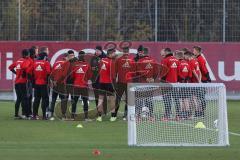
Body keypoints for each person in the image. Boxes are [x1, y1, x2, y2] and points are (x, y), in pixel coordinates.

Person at [134, 47, 159, 121]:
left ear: (143, 53)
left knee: (139, 100)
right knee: (149, 100)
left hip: (142, 84)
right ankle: (151, 116)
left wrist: (146, 78)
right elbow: (156, 72)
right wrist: (153, 79)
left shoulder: (140, 61)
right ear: (148, 53)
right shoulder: (153, 60)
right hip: (150, 84)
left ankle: (138, 117)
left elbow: (139, 72)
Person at [114, 45, 135, 120]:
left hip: (120, 82)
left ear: (123, 52)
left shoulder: (118, 60)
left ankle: (114, 115)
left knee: (118, 99)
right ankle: (125, 116)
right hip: (129, 82)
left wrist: (115, 81)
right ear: (128, 52)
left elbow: (115, 72)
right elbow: (134, 73)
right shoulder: (132, 60)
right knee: (128, 99)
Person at [9, 49, 31, 119]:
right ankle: (26, 115)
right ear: (27, 55)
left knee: (19, 98)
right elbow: (25, 68)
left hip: (17, 82)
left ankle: (16, 115)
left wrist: (17, 73)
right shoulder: (26, 61)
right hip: (23, 82)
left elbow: (10, 67)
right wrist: (24, 74)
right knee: (25, 98)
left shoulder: (18, 61)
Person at [71, 51, 92, 121]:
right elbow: (89, 76)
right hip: (84, 86)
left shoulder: (74, 64)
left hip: (76, 85)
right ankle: (86, 117)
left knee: (75, 101)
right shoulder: (87, 65)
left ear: (78, 56)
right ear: (84, 56)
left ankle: (72, 117)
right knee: (85, 101)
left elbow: (72, 76)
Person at [96, 48, 117, 122]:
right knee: (111, 99)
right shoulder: (111, 62)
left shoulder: (101, 60)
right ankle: (113, 116)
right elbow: (113, 75)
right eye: (114, 53)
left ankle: (99, 116)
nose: (115, 54)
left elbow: (99, 70)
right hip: (109, 83)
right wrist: (115, 85)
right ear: (110, 54)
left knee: (100, 99)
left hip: (101, 82)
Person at [160, 48, 180, 121]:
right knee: (176, 99)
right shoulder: (176, 60)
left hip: (166, 83)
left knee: (167, 99)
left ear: (166, 52)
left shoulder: (165, 60)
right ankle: (178, 116)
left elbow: (163, 72)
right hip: (175, 83)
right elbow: (179, 73)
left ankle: (167, 116)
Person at [32, 52, 51, 120]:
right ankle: (44, 116)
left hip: (36, 84)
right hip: (44, 84)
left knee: (36, 99)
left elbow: (30, 72)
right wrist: (47, 80)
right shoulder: (46, 63)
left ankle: (34, 116)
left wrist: (33, 82)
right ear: (45, 57)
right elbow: (49, 72)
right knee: (44, 99)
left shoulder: (34, 63)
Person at [193, 46, 211, 117]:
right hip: (200, 80)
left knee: (201, 97)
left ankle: (201, 112)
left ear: (197, 51)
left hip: (202, 80)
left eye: (194, 50)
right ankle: (199, 112)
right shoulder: (198, 58)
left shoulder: (200, 59)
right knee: (199, 97)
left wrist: (207, 77)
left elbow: (204, 69)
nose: (193, 51)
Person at [49, 53, 67, 120]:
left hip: (55, 84)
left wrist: (54, 81)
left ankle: (51, 115)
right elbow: (64, 75)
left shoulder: (56, 63)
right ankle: (63, 115)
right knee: (63, 100)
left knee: (53, 99)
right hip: (61, 84)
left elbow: (52, 73)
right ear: (66, 57)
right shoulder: (66, 64)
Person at [90, 46, 108, 114]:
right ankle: (99, 111)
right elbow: (90, 68)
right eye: (96, 50)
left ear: (101, 51)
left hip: (103, 80)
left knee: (104, 95)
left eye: (98, 51)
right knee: (96, 96)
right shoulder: (93, 58)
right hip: (95, 80)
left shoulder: (105, 57)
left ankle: (105, 110)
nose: (96, 52)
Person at [175, 51, 192, 119]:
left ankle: (182, 114)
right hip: (187, 84)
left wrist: (181, 80)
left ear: (178, 56)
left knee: (181, 100)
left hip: (181, 84)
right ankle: (188, 115)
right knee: (186, 99)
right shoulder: (187, 63)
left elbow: (178, 74)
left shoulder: (179, 63)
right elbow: (190, 75)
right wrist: (186, 80)